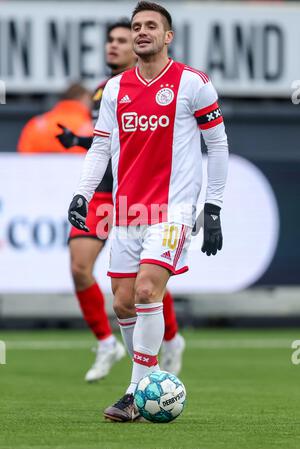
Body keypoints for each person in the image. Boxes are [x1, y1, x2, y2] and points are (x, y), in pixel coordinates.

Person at [68, 1, 228, 421]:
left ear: (167, 36)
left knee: (145, 292)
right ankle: (150, 378)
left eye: (150, 26)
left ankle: (136, 392)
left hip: (171, 210)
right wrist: (83, 193)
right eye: (136, 25)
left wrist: (212, 208)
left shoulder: (192, 83)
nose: (141, 32)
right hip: (124, 211)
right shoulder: (116, 88)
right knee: (122, 303)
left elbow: (218, 145)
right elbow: (101, 145)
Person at [57, 20, 185, 382]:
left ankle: (170, 340)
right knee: (80, 267)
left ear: (138, 45)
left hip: (139, 194)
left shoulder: (162, 86)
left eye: (121, 40)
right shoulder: (105, 91)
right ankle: (105, 343)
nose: (112, 46)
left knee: (145, 282)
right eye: (109, 40)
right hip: (103, 193)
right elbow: (107, 143)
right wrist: (77, 142)